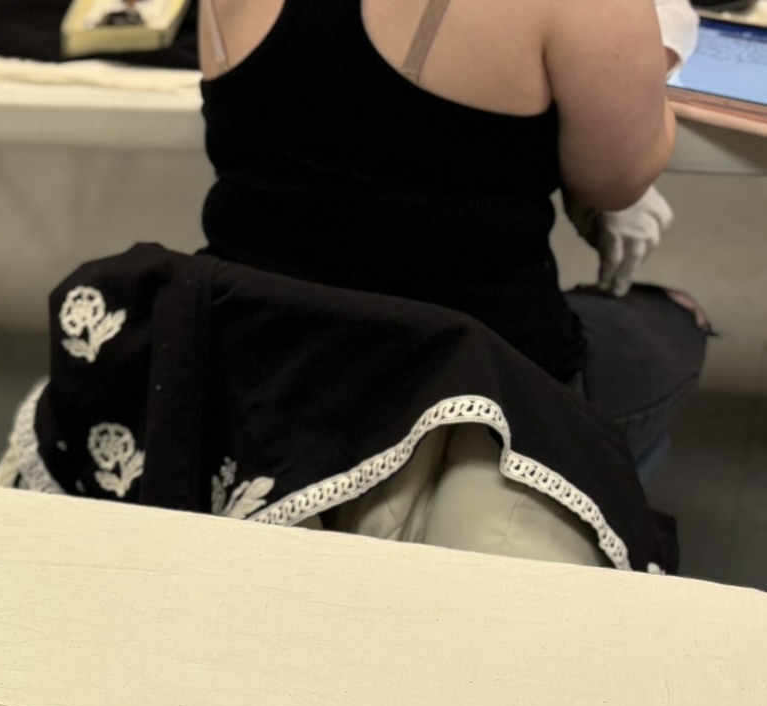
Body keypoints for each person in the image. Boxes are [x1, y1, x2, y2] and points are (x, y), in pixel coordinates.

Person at [196, 0, 709, 480]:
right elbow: (614, 182)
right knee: (675, 322)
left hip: (251, 366)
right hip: (476, 391)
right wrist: (654, 54)